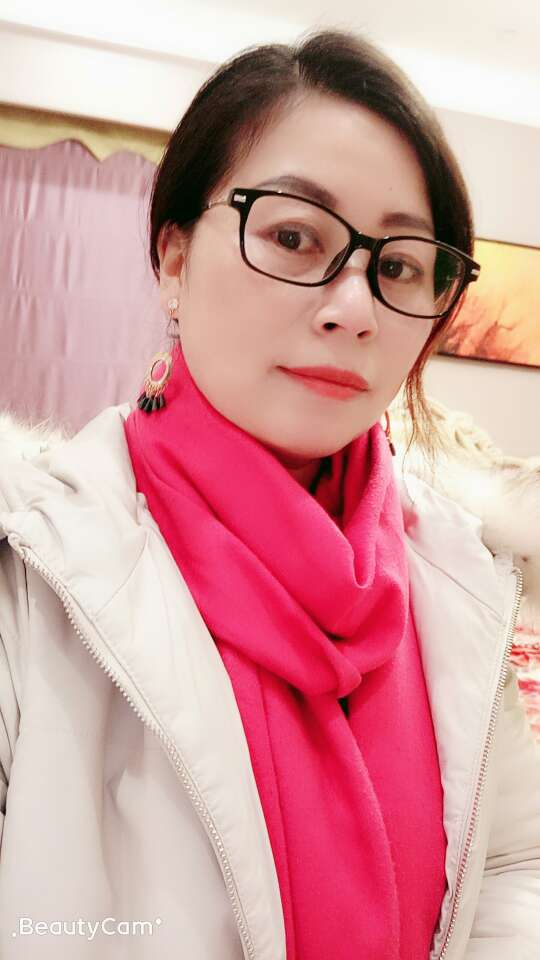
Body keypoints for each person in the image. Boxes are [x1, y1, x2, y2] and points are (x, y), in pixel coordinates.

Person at [0, 28, 539, 960]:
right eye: (293, 237)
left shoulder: (462, 576)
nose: (354, 308)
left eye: (399, 265)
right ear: (173, 260)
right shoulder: (34, 570)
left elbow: (512, 864)